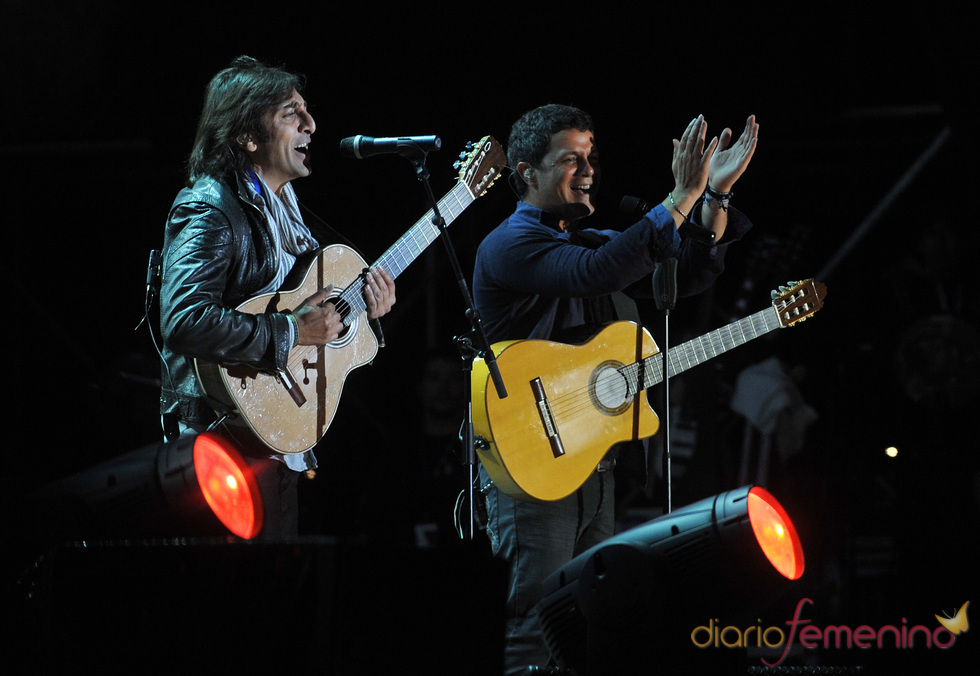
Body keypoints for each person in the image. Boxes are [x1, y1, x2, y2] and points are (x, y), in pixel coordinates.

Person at [471, 103, 758, 673]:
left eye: (592, 157)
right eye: (570, 158)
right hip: (532, 466)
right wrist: (680, 196)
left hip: (591, 464)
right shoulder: (509, 245)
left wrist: (714, 197)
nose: (587, 170)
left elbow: (689, 273)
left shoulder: (587, 237)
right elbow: (595, 273)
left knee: (588, 629)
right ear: (527, 171)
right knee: (530, 629)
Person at [158, 56, 396, 539]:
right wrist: (292, 330)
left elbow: (315, 317)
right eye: (292, 113)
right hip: (220, 439)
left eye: (306, 111)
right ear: (248, 137)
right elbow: (183, 319)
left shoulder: (292, 218)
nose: (311, 124)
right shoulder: (210, 207)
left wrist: (365, 313)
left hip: (274, 439)